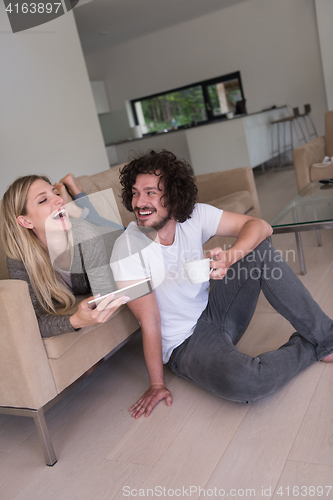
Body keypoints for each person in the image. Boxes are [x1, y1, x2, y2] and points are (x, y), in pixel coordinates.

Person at [110, 149, 333, 419]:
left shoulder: (194, 217)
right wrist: (157, 384)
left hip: (215, 309)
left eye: (150, 192)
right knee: (249, 383)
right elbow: (150, 321)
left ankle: (327, 337)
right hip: (186, 344)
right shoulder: (127, 249)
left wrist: (230, 257)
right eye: (135, 193)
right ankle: (313, 345)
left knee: (259, 250)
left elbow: (261, 226)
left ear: (174, 195)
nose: (139, 202)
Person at [1, 175, 129, 338]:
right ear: (26, 222)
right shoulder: (19, 259)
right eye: (43, 200)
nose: (58, 200)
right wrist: (75, 320)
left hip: (122, 243)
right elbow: (31, 323)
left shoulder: (86, 236)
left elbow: (103, 295)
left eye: (57, 194)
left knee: (129, 233)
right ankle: (77, 207)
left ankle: (77, 208)